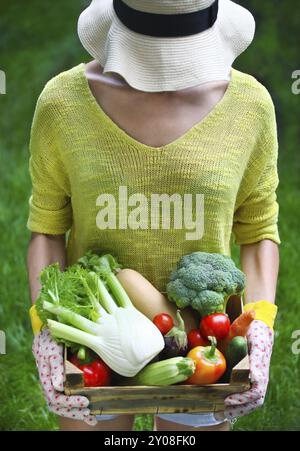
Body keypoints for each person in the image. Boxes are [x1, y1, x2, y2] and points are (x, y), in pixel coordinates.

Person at [27, 0, 280, 432]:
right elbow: (47, 226)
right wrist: (46, 327)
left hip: (206, 348)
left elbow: (258, 228)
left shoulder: (250, 107)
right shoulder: (62, 104)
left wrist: (260, 323)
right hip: (95, 341)